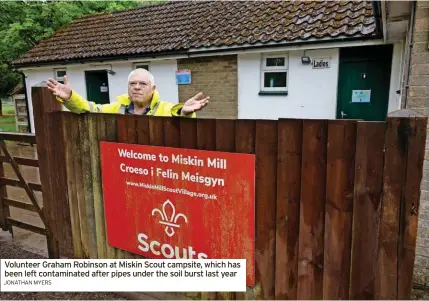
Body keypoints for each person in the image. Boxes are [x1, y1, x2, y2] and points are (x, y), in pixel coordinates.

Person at [46, 68, 209, 117]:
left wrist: (185, 113)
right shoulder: (117, 108)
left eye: (142, 83)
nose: (137, 87)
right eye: (132, 83)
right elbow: (91, 109)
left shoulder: (165, 109)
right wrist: (70, 98)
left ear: (153, 88)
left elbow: (178, 116)